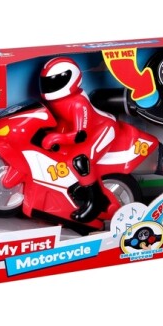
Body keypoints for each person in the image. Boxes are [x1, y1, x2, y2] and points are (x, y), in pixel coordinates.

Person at [38, 57, 116, 223]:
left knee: (80, 160)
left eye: (55, 81)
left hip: (103, 129)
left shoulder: (78, 103)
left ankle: (96, 202)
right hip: (82, 132)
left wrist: (56, 137)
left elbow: (81, 134)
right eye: (46, 82)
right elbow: (64, 122)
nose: (49, 86)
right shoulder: (58, 101)